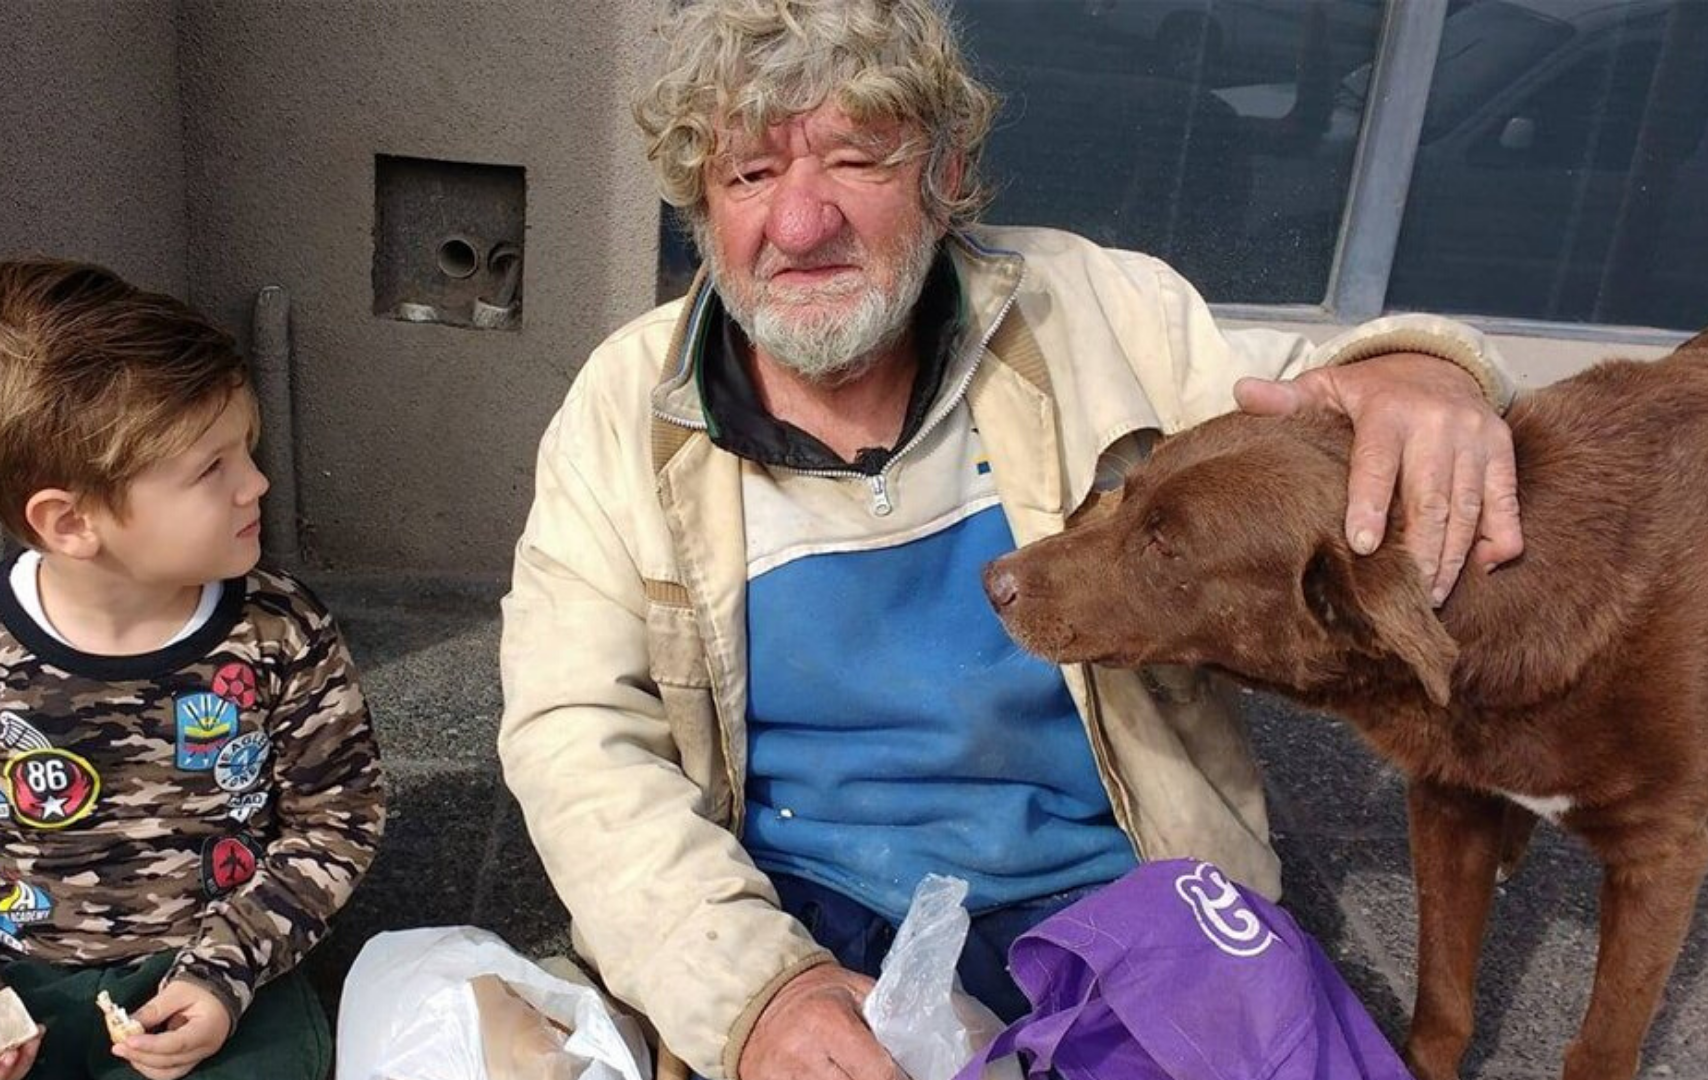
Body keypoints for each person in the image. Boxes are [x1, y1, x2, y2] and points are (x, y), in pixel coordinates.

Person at [497, 1, 1523, 1078]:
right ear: (703, 206)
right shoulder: (624, 408)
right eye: (750, 175)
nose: (799, 226)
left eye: (855, 159)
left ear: (945, 174)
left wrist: (1420, 370)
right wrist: (755, 992)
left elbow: (1326, 380)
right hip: (803, 914)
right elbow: (574, 735)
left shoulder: (1099, 311)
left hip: (1122, 895)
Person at [0, 259, 385, 1080]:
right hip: (3, 973)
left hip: (219, 972)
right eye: (212, 468)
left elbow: (336, 820)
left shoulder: (282, 632)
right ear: (70, 521)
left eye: (247, 451)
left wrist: (227, 972)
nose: (256, 484)